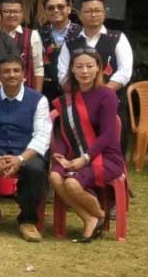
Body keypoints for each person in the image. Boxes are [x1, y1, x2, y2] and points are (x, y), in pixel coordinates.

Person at [0, 56, 51, 242]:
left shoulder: (38, 100)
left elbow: (42, 136)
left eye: (16, 70)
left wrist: (20, 159)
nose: (11, 75)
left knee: (36, 168)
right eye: (6, 71)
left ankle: (28, 220)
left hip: (26, 153)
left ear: (23, 74)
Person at [50, 51, 124, 243]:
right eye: (79, 66)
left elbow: (108, 134)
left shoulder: (107, 95)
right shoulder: (68, 98)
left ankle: (98, 216)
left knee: (72, 184)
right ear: (72, 69)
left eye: (90, 66)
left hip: (105, 156)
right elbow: (62, 133)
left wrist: (85, 158)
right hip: (74, 154)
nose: (84, 71)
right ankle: (93, 217)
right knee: (55, 176)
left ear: (98, 68)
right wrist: (60, 155)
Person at [56, 0, 132, 93]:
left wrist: (101, 95)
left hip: (110, 99)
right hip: (78, 101)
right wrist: (80, 96)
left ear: (105, 14)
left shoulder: (118, 38)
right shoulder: (70, 42)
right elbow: (63, 75)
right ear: (79, 15)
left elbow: (124, 71)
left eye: (97, 10)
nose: (93, 14)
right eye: (88, 11)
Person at [37, 0, 81, 101]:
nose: (56, 10)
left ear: (69, 9)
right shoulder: (38, 34)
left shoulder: (81, 33)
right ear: (45, 12)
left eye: (60, 7)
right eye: (51, 8)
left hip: (76, 88)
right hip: (46, 91)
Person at [1, 0, 44, 91]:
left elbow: (38, 68)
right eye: (7, 11)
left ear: (22, 14)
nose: (12, 15)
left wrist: (37, 95)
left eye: (16, 11)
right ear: (1, 13)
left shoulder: (32, 35)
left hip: (25, 90)